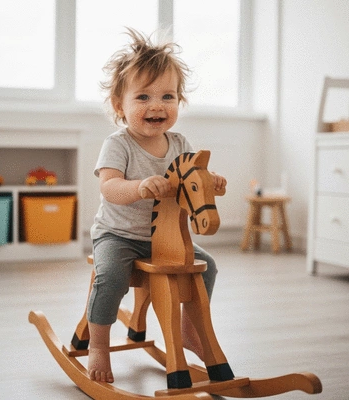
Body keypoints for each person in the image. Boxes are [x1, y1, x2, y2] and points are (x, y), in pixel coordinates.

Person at [87, 27, 227, 383]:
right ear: (120, 105)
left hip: (164, 239)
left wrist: (210, 182)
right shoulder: (118, 144)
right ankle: (99, 345)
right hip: (118, 235)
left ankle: (187, 329)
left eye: (167, 96)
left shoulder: (179, 143)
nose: (156, 106)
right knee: (110, 278)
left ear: (179, 101)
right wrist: (138, 187)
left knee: (205, 266)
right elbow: (110, 188)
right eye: (143, 97)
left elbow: (191, 180)